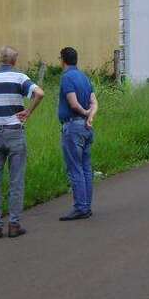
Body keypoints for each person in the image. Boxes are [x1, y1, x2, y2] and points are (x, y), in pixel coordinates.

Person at [0, 46, 44, 238]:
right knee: (16, 180)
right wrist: (28, 112)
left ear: (0, 60)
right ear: (14, 61)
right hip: (15, 131)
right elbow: (40, 93)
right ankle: (14, 224)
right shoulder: (20, 78)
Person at [57, 46, 98, 221]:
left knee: (75, 169)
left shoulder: (67, 78)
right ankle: (86, 206)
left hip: (73, 126)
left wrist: (83, 112)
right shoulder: (84, 77)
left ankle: (80, 207)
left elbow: (73, 104)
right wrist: (90, 115)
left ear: (62, 60)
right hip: (86, 128)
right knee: (86, 168)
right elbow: (94, 102)